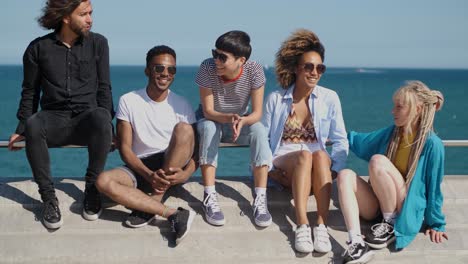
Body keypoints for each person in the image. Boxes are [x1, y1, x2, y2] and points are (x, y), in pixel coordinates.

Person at [8, 0, 113, 229]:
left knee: (102, 117)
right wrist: (21, 129)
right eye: (84, 14)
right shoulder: (37, 48)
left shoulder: (99, 44)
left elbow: (105, 88)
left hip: (87, 122)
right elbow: (30, 92)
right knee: (33, 123)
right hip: (54, 120)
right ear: (66, 17)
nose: (90, 19)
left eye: (91, 13)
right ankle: (48, 199)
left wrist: (109, 130)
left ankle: (92, 189)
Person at [95, 45, 197, 245]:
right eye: (159, 68)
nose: (165, 74)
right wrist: (148, 174)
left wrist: (186, 174)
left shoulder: (182, 104)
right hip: (140, 166)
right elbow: (125, 148)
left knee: (184, 129)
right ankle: (171, 213)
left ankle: (155, 199)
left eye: (171, 70)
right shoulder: (129, 100)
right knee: (103, 181)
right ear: (147, 70)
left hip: (171, 163)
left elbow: (197, 149)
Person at [337, 81, 447, 263]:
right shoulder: (392, 133)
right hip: (380, 204)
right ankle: (356, 242)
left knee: (377, 161)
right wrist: (335, 136)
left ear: (417, 110)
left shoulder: (431, 144)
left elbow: (434, 187)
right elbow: (363, 141)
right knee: (345, 175)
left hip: (404, 208)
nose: (393, 111)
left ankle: (390, 223)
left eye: (399, 107)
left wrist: (437, 223)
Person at [263, 29, 348, 254]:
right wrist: (269, 170)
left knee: (319, 154)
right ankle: (302, 224)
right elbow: (262, 138)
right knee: (304, 155)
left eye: (320, 67)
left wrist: (336, 170)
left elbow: (340, 139)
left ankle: (321, 225)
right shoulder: (276, 99)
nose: (314, 72)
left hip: (317, 169)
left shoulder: (330, 98)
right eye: (308, 66)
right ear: (296, 68)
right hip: (285, 163)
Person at [196, 30, 273, 227]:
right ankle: (209, 195)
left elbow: (256, 114)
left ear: (241, 60)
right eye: (215, 54)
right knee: (208, 127)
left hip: (240, 120)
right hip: (213, 118)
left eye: (223, 57)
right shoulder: (207, 68)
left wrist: (241, 121)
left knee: (259, 130)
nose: (216, 61)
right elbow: (208, 111)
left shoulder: (254, 70)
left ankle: (260, 197)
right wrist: (229, 118)